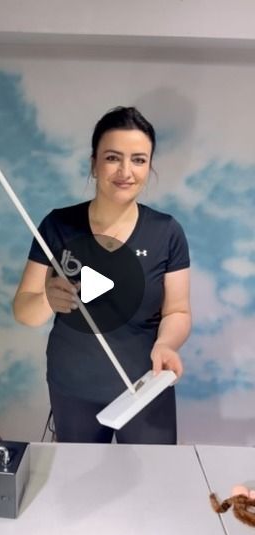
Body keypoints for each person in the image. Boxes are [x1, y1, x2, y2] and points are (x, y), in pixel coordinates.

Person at [13, 106, 191, 444]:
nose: (126, 171)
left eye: (138, 159)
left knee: (149, 486)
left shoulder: (166, 232)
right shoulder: (58, 225)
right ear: (94, 163)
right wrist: (48, 300)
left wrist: (167, 343)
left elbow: (178, 311)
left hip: (144, 385)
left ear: (149, 166)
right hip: (72, 388)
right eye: (113, 158)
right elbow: (23, 310)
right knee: (82, 489)